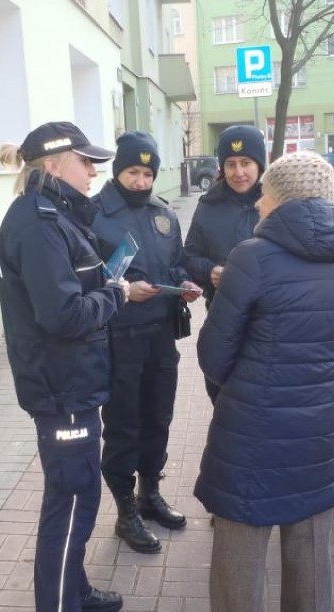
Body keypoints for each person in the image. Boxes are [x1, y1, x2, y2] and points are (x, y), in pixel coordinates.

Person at [194, 151, 334, 612]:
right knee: (310, 543)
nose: (260, 202)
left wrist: (246, 388)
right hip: (319, 428)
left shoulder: (252, 257)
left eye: (266, 192)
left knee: (241, 545)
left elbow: (213, 353)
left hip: (253, 429)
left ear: (280, 197)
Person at [0, 121, 129, 612]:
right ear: (52, 164)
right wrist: (115, 295)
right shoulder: (38, 223)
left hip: (71, 381)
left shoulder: (54, 216)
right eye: (85, 161)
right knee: (72, 498)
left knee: (76, 494)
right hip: (62, 387)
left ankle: (73, 592)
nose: (94, 170)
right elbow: (62, 315)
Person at [91, 131, 202, 553]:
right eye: (133, 172)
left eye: (147, 173)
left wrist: (184, 282)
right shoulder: (94, 214)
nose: (140, 181)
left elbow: (173, 265)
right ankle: (124, 511)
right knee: (123, 425)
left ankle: (149, 494)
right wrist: (122, 288)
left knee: (158, 418)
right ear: (118, 170)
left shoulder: (163, 214)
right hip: (118, 336)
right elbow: (84, 277)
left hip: (159, 334)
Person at [183, 124, 266, 403]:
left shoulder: (276, 203)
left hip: (268, 322)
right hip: (223, 320)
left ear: (259, 164)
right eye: (230, 164)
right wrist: (210, 271)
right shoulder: (208, 205)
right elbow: (188, 257)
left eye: (246, 163)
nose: (238, 172)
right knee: (223, 399)